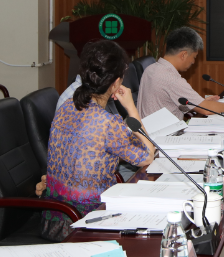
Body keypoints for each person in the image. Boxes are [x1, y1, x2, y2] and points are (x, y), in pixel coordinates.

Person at [41, 40, 156, 240]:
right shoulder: (106, 123)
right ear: (116, 83)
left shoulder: (66, 107)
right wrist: (131, 108)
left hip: (54, 219)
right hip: (89, 220)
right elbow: (148, 156)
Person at [136, 27, 224, 119]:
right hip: (167, 133)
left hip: (149, 130)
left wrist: (200, 103)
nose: (193, 62)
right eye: (194, 57)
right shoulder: (171, 79)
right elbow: (206, 110)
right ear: (183, 55)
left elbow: (167, 103)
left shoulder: (151, 68)